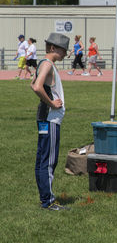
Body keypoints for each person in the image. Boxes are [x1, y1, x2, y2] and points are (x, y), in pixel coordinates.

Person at [31, 32, 71, 211]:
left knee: (42, 158)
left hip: (44, 118)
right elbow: (37, 86)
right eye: (63, 50)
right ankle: (48, 201)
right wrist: (52, 103)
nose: (65, 54)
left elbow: (33, 82)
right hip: (50, 118)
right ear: (53, 48)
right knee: (49, 160)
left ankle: (44, 198)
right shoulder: (48, 64)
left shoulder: (43, 64)